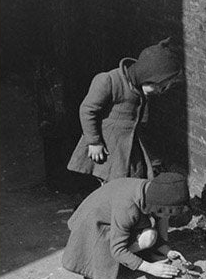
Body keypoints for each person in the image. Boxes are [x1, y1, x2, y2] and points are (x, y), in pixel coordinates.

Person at [66, 37, 182, 183]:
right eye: (158, 85)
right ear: (146, 75)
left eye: (163, 88)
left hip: (129, 148)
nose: (159, 91)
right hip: (108, 148)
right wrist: (94, 142)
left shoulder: (139, 90)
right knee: (112, 186)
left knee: (134, 180)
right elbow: (87, 110)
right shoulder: (109, 81)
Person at [60, 171, 191, 279]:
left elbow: (151, 221)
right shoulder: (128, 207)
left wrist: (168, 251)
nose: (167, 218)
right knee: (148, 237)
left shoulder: (150, 192)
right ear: (158, 207)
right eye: (167, 213)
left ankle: (133, 258)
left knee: (150, 235)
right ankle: (114, 262)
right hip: (92, 231)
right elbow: (117, 250)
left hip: (113, 219)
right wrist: (150, 268)